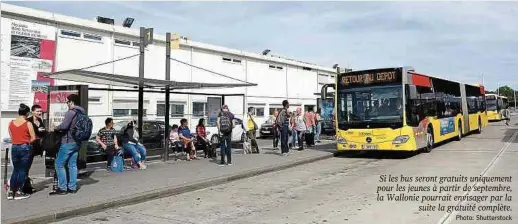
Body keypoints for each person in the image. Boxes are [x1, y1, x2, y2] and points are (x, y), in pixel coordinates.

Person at [50, 94, 85, 195]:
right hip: (77, 142)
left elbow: (64, 126)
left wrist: (55, 128)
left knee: (59, 164)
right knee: (72, 165)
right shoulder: (82, 112)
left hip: (68, 142)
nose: (67, 104)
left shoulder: (71, 112)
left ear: (71, 102)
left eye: (67, 102)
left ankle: (62, 188)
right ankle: (72, 187)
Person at [7, 104, 36, 200]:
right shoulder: (28, 123)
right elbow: (33, 138)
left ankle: (11, 191)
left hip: (14, 147)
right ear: (27, 113)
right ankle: (19, 191)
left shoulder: (11, 123)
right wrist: (27, 142)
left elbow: (12, 137)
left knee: (15, 169)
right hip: (25, 147)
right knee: (22, 170)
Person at [27, 105, 46, 178]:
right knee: (27, 165)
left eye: (40, 111)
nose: (39, 113)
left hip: (37, 145)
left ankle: (26, 183)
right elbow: (27, 132)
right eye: (37, 111)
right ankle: (25, 184)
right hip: (30, 144)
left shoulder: (40, 120)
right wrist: (37, 130)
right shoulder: (29, 120)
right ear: (32, 112)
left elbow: (42, 132)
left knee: (29, 164)